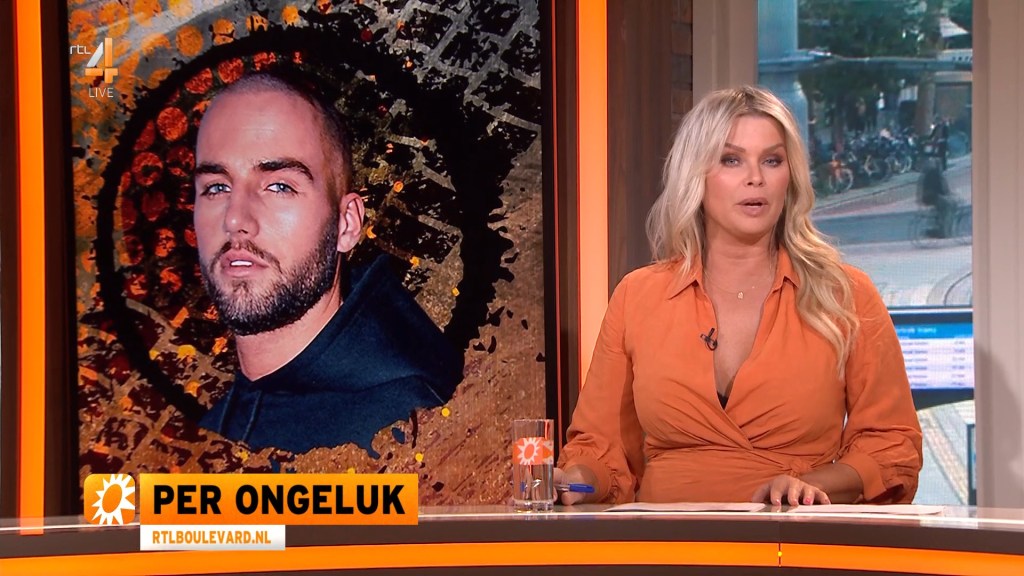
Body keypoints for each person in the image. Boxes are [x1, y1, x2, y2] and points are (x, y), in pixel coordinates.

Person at [555, 86, 922, 506]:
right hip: (667, 538)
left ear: (790, 176)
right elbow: (602, 449)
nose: (756, 178)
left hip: (794, 537)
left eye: (772, 160)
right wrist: (571, 482)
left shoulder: (845, 295)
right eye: (732, 160)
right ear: (695, 175)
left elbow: (891, 444)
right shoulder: (638, 296)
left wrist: (813, 484)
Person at [192, 70, 464, 455]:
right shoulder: (211, 430)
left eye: (279, 186)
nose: (235, 219)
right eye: (216, 187)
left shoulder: (413, 426)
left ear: (346, 224)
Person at [917, 156, 957, 239]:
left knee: (949, 205)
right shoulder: (934, 173)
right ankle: (943, 230)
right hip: (931, 197)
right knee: (948, 206)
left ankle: (943, 228)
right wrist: (947, 194)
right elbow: (939, 188)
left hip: (931, 196)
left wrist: (948, 194)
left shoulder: (934, 173)